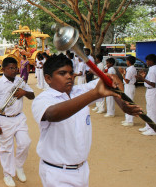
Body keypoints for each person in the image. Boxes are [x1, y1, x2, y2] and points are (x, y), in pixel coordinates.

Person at [31, 54, 142, 187]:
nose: (69, 76)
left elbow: (113, 80)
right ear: (48, 78)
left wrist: (122, 103)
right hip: (57, 172)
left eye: (71, 73)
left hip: (82, 170)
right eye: (62, 73)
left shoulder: (79, 91)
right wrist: (95, 94)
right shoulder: (43, 99)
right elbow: (52, 114)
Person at [0, 57, 35, 187]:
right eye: (10, 68)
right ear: (3, 69)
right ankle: (7, 174)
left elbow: (32, 96)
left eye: (15, 68)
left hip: (19, 118)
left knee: (25, 143)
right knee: (6, 149)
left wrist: (24, 92)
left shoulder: (20, 81)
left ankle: (18, 166)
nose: (14, 70)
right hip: (4, 119)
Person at [136, 54, 156, 136]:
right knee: (149, 109)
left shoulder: (153, 70)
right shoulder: (151, 69)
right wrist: (144, 77)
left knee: (152, 110)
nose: (146, 62)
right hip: (149, 91)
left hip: (153, 91)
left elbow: (153, 84)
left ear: (152, 61)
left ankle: (153, 129)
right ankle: (148, 126)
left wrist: (142, 79)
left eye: (147, 61)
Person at [120, 56, 137, 126]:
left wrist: (122, 73)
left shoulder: (130, 70)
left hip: (129, 86)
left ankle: (130, 121)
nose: (126, 62)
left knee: (129, 103)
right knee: (126, 102)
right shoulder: (131, 68)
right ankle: (127, 119)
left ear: (129, 61)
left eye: (127, 61)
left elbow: (127, 80)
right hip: (128, 86)